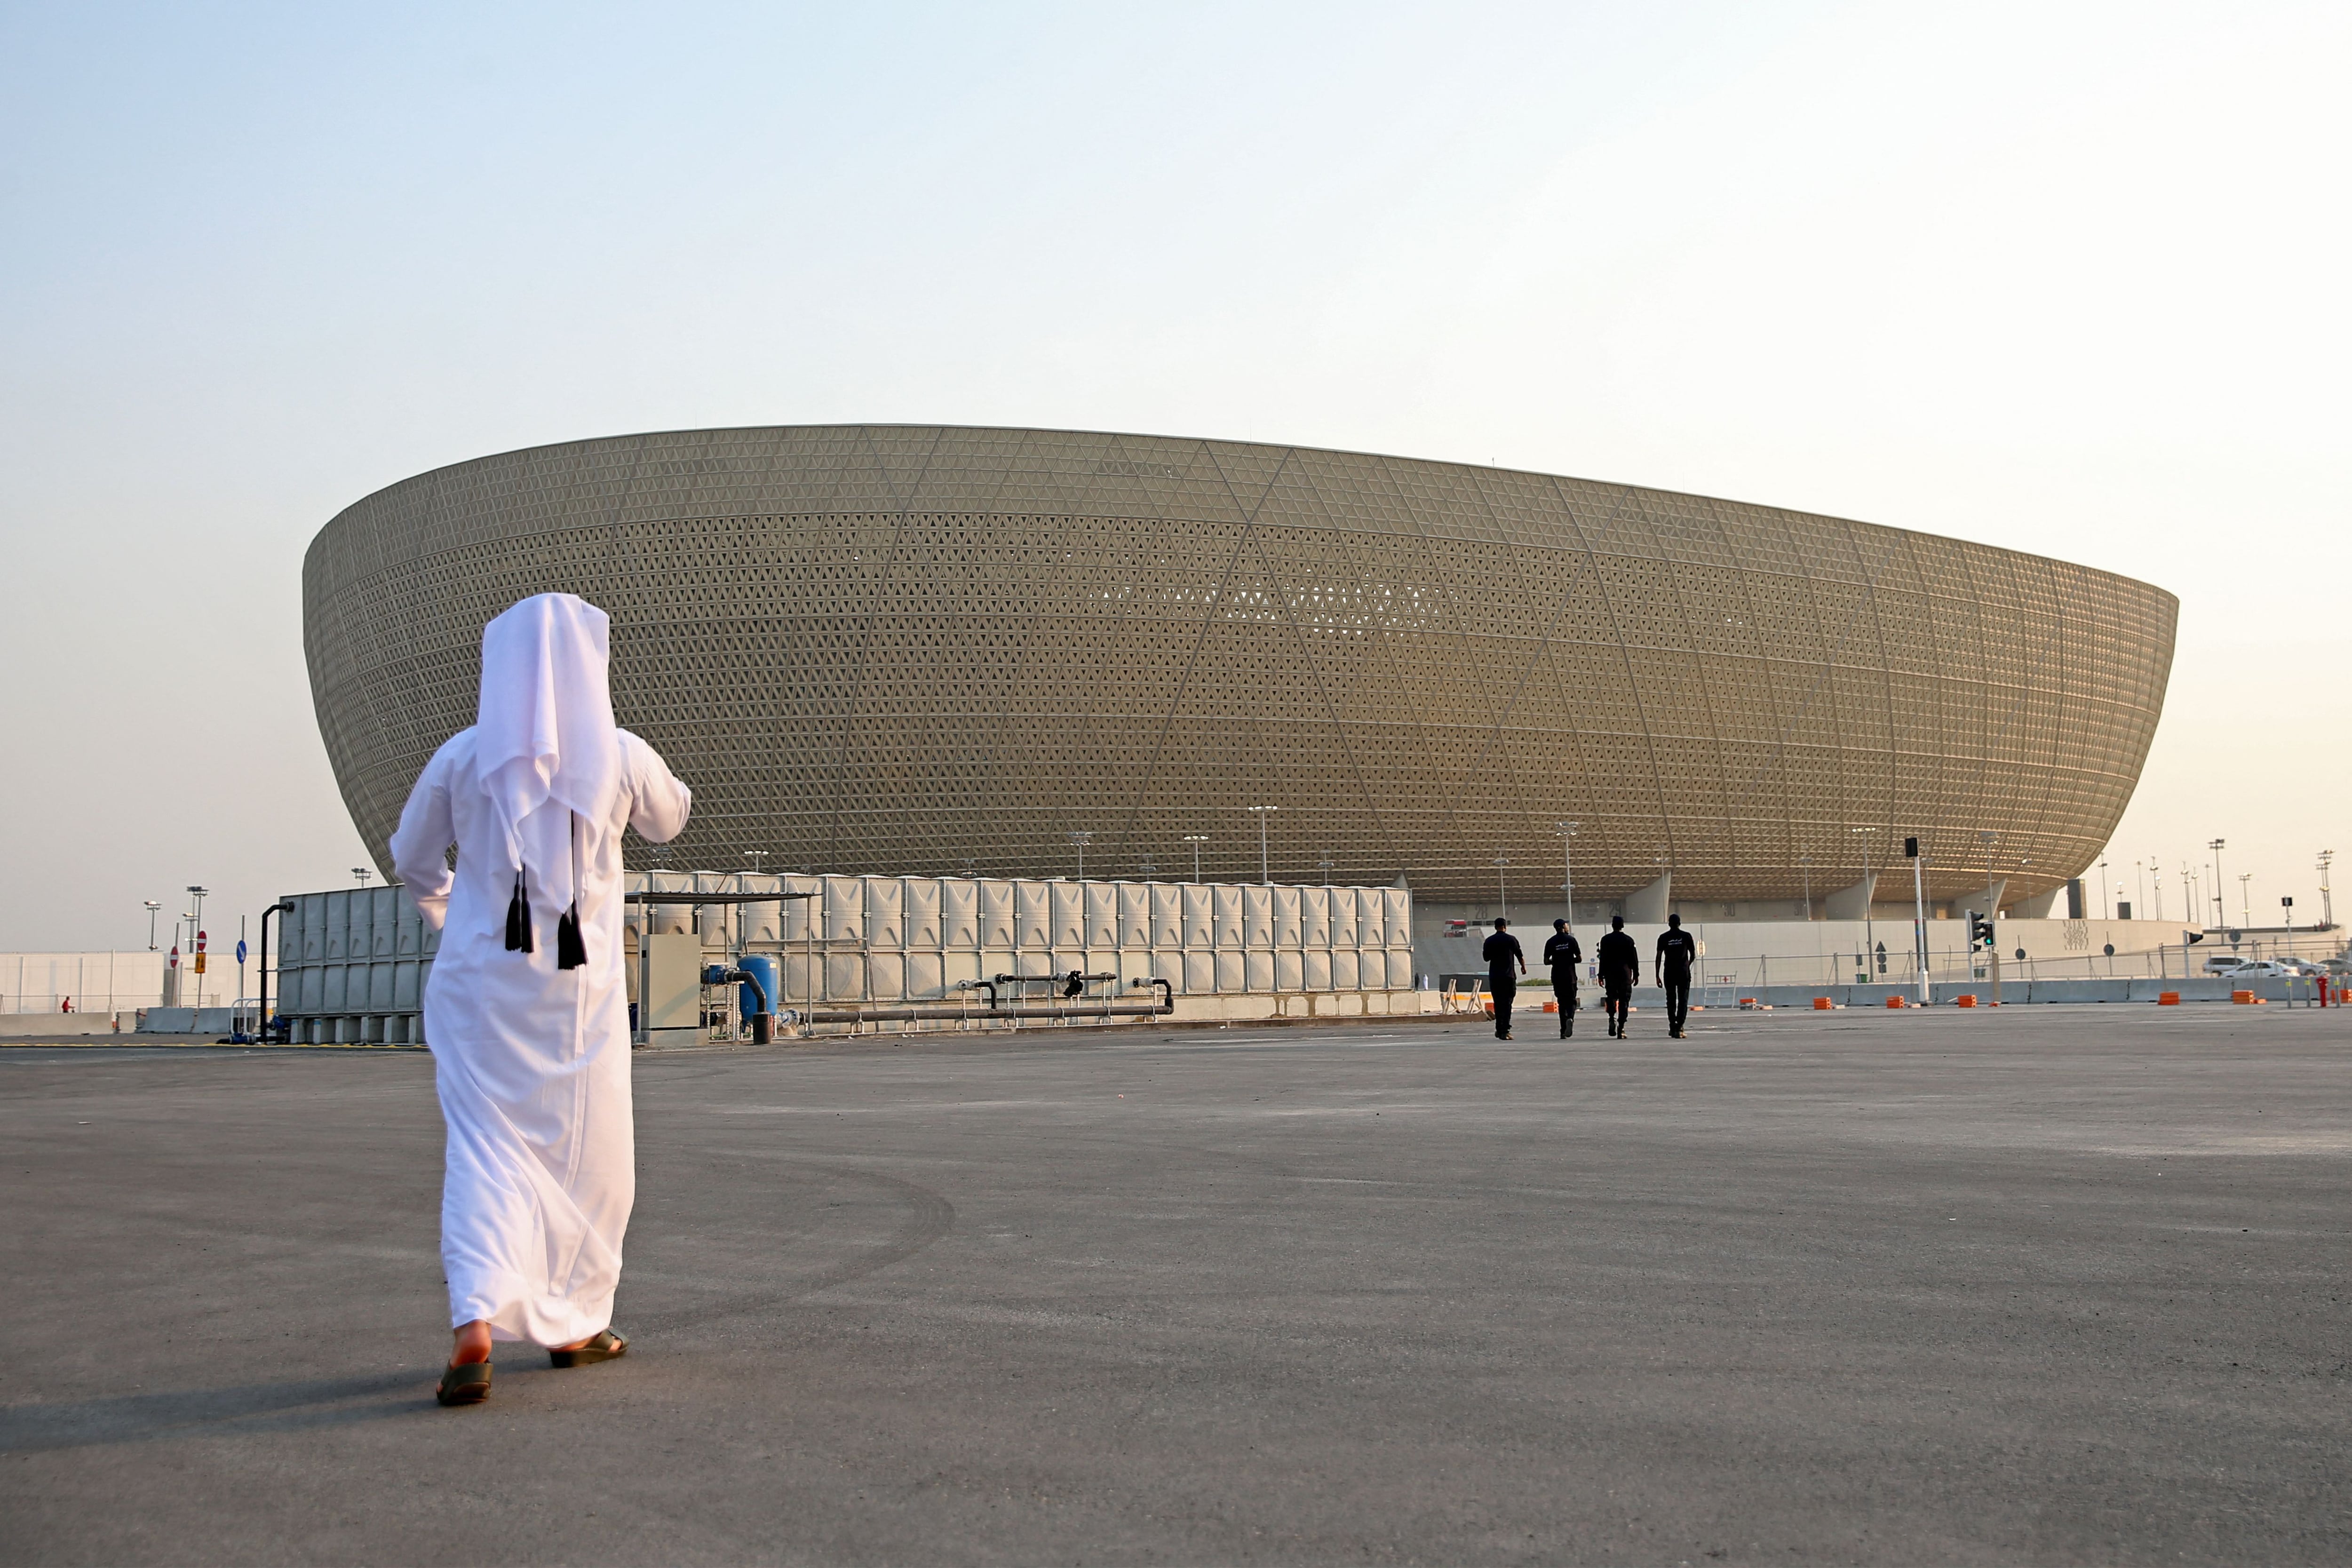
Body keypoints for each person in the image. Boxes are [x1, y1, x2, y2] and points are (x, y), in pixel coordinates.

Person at [389, 593, 693, 1408]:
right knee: (592, 1159)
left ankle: (474, 1329)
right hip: (578, 1001)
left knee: (486, 1154)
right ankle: (576, 1324)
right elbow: (672, 819)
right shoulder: (621, 755)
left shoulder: (462, 757)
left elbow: (412, 854)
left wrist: (452, 913)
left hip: (482, 992)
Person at [1596, 915, 1639, 1037]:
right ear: (1623, 926)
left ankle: (1611, 1017)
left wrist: (1600, 975)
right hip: (1625, 974)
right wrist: (1636, 974)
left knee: (1611, 997)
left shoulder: (1605, 940)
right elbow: (1634, 960)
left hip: (1611, 974)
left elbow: (1602, 959)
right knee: (1624, 1001)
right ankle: (1622, 1028)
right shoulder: (1629, 940)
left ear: (1612, 925)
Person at [1482, 916, 1525, 1039]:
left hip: (1495, 976)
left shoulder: (1489, 941)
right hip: (1509, 976)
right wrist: (1523, 967)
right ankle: (1505, 1030)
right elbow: (1520, 955)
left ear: (1495, 927)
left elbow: (1486, 958)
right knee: (1507, 1003)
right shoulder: (1511, 939)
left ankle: (1499, 1029)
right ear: (1505, 927)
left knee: (1498, 1003)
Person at [1657, 912, 1697, 1038]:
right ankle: (1680, 1027)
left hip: (1669, 972)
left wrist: (1657, 975)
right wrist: (1687, 964)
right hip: (1683, 972)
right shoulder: (1686, 936)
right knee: (1683, 999)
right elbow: (1693, 955)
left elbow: (1659, 957)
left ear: (1669, 924)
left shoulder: (1663, 937)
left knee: (1671, 999)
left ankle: (1672, 1026)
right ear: (1679, 924)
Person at [1542, 919, 1582, 1038]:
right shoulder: (1571, 940)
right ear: (1563, 927)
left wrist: (1557, 961)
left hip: (1557, 976)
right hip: (1570, 976)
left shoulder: (1550, 942)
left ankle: (1563, 1030)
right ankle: (1570, 1018)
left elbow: (1546, 961)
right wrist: (1569, 960)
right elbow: (1579, 959)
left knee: (1562, 1003)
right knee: (1572, 1001)